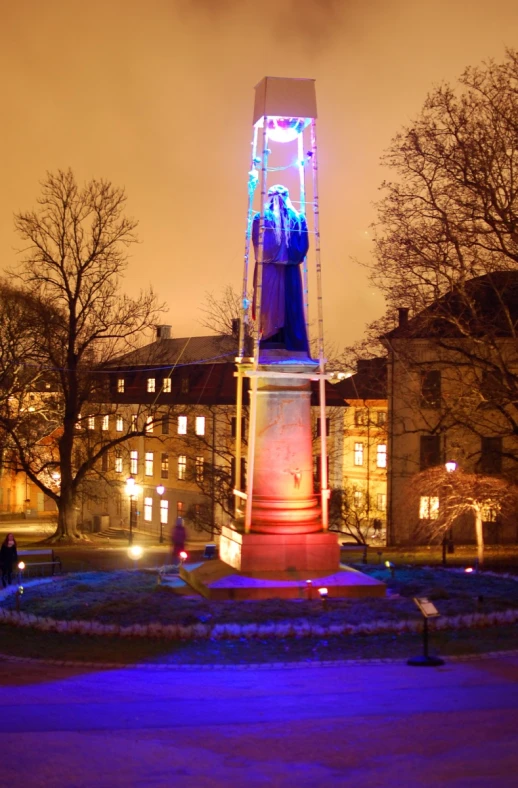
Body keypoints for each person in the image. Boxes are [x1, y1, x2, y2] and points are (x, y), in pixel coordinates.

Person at [252, 184, 309, 353]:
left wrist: (284, 255)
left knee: (288, 302)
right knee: (268, 303)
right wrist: (282, 253)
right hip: (270, 269)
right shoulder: (261, 217)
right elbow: (260, 246)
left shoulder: (297, 218)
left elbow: (301, 246)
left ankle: (284, 337)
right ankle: (270, 336)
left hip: (286, 270)